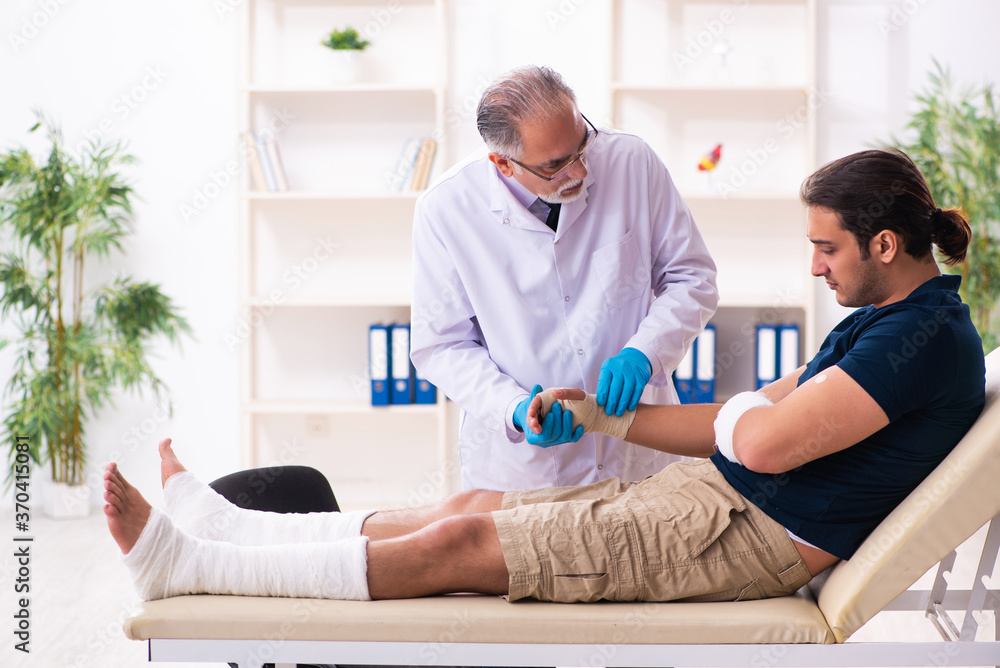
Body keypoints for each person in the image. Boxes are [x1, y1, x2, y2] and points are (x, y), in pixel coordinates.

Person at [106, 149, 984, 605]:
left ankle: (196, 567)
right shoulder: (883, 321)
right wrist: (604, 417)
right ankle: (226, 530)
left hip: (746, 538)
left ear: (882, 244)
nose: (815, 269)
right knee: (472, 509)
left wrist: (755, 408)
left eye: (825, 249)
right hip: (718, 499)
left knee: (459, 550)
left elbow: (759, 436)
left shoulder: (920, 341)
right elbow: (746, 421)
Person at [409, 65, 718, 491]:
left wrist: (645, 353)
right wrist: (515, 408)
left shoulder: (631, 161)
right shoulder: (446, 209)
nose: (581, 171)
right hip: (525, 470)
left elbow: (691, 276)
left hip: (637, 448)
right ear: (503, 163)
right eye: (556, 165)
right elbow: (442, 345)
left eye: (582, 146)